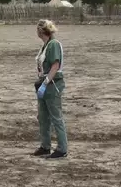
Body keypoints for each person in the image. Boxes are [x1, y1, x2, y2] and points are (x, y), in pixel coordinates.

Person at [32, 19, 68, 159]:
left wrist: (45, 83)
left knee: (56, 117)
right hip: (45, 83)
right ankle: (45, 146)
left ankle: (62, 149)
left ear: (41, 31)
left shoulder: (53, 45)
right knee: (43, 117)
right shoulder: (46, 45)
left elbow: (55, 66)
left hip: (52, 84)